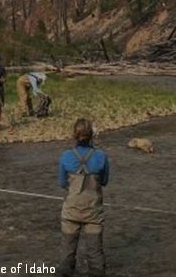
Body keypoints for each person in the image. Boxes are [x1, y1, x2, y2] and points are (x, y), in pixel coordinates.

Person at [58, 118, 109, 277]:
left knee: (67, 253)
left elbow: (62, 183)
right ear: (92, 135)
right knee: (95, 255)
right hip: (93, 212)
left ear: (74, 135)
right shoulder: (101, 156)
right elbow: (105, 181)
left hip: (71, 211)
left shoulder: (66, 156)